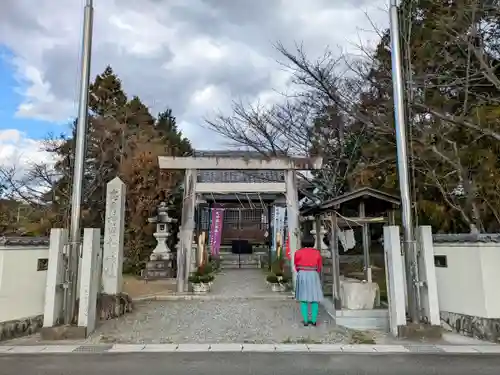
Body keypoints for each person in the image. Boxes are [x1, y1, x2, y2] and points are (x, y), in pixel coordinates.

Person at [294, 235, 324, 326]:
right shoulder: (317, 253)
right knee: (315, 298)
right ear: (313, 243)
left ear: (302, 243)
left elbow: (296, 265)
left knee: (303, 298)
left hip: (302, 273)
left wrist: (301, 271)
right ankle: (314, 321)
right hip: (313, 274)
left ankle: (306, 321)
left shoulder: (298, 252)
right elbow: (319, 266)